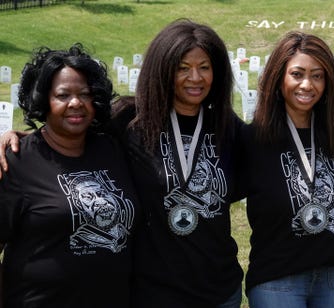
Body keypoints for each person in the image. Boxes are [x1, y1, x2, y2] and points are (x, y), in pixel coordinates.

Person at [0, 19, 244, 307]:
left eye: (204, 67)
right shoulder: (129, 120)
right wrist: (21, 138)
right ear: (163, 68)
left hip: (219, 289)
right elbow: (67, 130)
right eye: (182, 67)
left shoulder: (228, 127)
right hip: (154, 291)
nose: (195, 77)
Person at [0, 44, 138, 307]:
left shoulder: (113, 149)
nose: (76, 103)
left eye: (85, 94)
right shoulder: (16, 162)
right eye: (63, 95)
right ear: (43, 101)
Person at [238, 31, 334, 308]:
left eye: (317, 75)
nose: (307, 85)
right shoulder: (253, 139)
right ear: (278, 78)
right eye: (297, 74)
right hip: (278, 280)